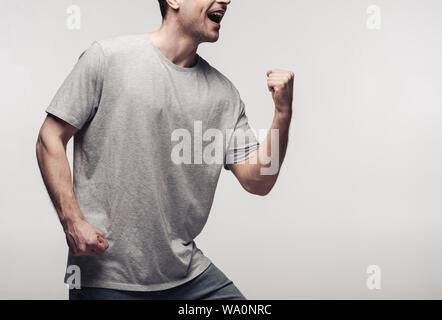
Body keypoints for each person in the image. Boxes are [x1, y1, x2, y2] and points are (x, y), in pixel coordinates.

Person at [36, 0, 294, 300]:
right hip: (108, 276)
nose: (226, 0)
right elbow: (49, 138)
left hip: (187, 277)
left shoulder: (224, 95)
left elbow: (258, 181)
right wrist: (72, 221)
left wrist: (283, 114)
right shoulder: (108, 58)